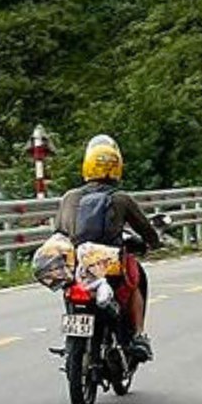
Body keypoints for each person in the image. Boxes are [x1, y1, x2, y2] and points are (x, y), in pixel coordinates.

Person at [56, 134, 161, 361]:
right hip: (110, 264)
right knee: (135, 280)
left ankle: (70, 338)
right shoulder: (120, 199)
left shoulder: (69, 198)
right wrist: (154, 242)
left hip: (77, 265)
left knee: (69, 287)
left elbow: (60, 232)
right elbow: (144, 228)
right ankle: (139, 335)